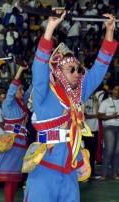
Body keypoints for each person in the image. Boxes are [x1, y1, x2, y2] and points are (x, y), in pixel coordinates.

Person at [23, 10, 117, 202]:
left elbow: (99, 69)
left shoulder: (78, 94)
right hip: (44, 170)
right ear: (57, 72)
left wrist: (109, 33)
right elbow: (39, 67)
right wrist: (50, 28)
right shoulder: (43, 93)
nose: (77, 73)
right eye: (71, 69)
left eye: (78, 70)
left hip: (70, 172)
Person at [0, 65, 31, 202]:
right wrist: (20, 71)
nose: (22, 91)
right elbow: (12, 90)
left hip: (21, 141)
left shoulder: (22, 103)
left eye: (22, 89)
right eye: (19, 89)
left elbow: (33, 88)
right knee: (10, 177)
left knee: (16, 178)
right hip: (11, 142)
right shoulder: (8, 103)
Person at [98, 81, 119, 180]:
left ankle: (115, 173)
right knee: (109, 150)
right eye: (115, 89)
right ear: (111, 90)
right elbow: (100, 116)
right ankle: (104, 173)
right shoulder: (106, 102)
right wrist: (113, 116)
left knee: (117, 151)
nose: (117, 91)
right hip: (109, 127)